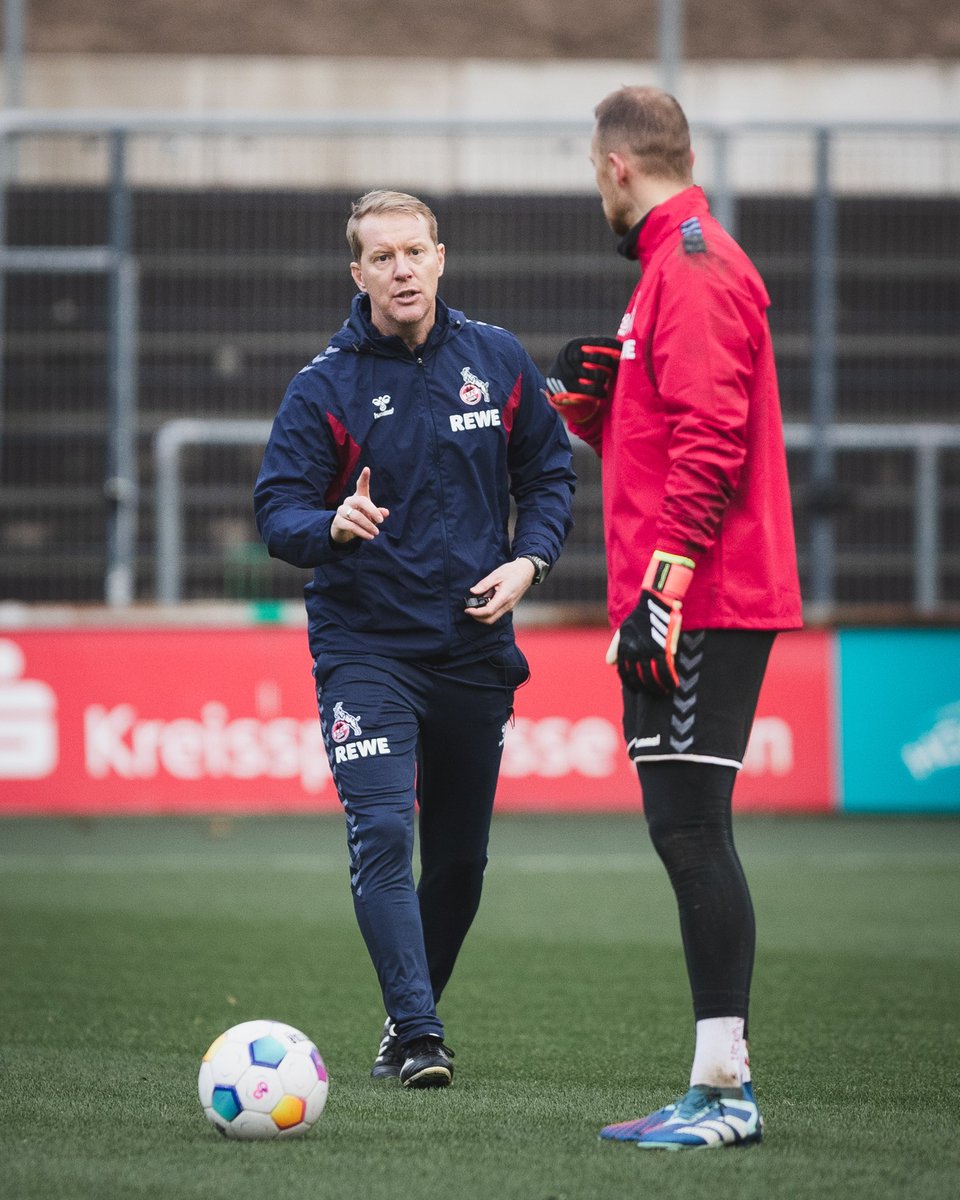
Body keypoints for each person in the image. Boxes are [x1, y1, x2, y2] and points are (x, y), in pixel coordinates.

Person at [254, 189, 575, 1089]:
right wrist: (333, 526)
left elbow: (549, 473)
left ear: (441, 258)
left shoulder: (497, 360)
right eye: (382, 257)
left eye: (414, 252)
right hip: (368, 648)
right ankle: (420, 1030)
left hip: (476, 646)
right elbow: (277, 510)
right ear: (358, 274)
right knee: (387, 829)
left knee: (463, 861)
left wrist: (530, 564)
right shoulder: (325, 387)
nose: (401, 269)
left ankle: (405, 1022)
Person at [544, 86, 802, 1149]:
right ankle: (711, 1086)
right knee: (682, 828)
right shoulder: (668, 268)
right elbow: (666, 443)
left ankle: (729, 1095)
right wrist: (596, 405)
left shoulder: (688, 267)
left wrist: (663, 588)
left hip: (703, 595)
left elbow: (713, 446)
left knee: (691, 829)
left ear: (614, 167)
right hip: (690, 587)